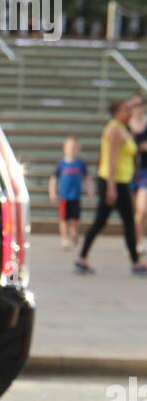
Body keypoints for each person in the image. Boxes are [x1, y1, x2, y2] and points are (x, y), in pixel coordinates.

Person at [74, 98, 147, 274]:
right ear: (116, 113)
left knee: (101, 221)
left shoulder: (122, 128)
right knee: (127, 221)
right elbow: (111, 160)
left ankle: (82, 257)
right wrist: (112, 188)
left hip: (119, 181)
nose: (129, 112)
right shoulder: (115, 129)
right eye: (125, 110)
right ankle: (135, 262)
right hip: (114, 182)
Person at [48, 136, 92, 249]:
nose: (71, 150)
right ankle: (64, 238)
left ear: (77, 149)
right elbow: (53, 179)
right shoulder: (61, 164)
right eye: (69, 147)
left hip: (75, 196)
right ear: (64, 149)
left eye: (74, 147)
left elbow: (87, 177)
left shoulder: (80, 163)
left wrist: (90, 188)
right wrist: (52, 193)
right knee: (63, 219)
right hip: (63, 196)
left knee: (75, 218)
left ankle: (74, 233)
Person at [127, 92, 147, 254]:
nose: (136, 108)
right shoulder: (125, 125)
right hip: (128, 171)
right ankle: (134, 238)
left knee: (142, 210)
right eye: (133, 105)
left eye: (139, 104)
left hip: (144, 171)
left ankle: (138, 240)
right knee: (133, 211)